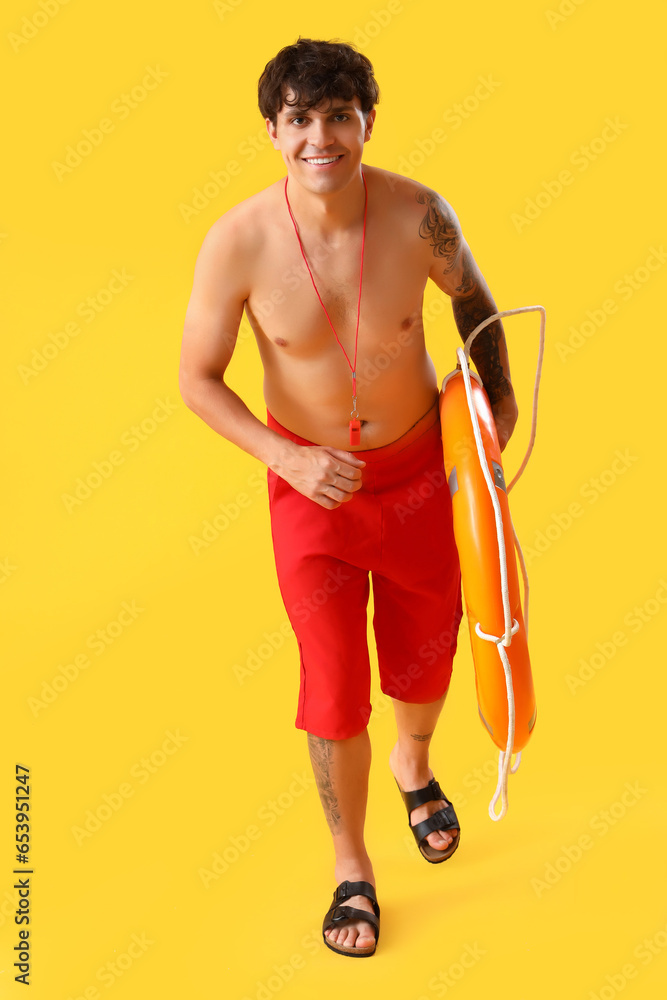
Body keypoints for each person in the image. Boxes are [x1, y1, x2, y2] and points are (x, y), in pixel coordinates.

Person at [179, 37, 518, 957]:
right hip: (312, 494)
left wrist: (496, 418)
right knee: (330, 689)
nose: (319, 137)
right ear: (272, 130)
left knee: (425, 656)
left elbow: (475, 304)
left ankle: (415, 762)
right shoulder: (237, 242)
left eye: (338, 116)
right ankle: (350, 866)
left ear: (367, 119)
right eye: (299, 119)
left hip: (417, 480)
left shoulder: (418, 215)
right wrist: (283, 462)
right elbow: (197, 379)